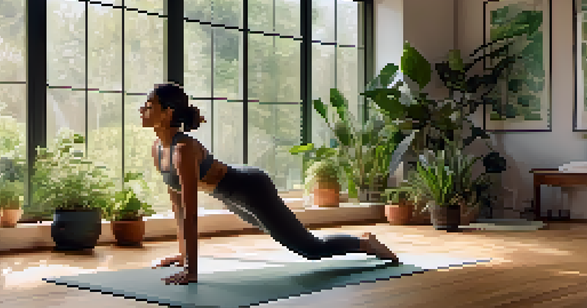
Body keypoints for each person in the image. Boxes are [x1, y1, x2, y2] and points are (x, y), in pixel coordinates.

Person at [141, 82, 398, 286]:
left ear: (167, 113)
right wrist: (183, 256)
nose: (142, 109)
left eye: (149, 105)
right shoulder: (158, 149)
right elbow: (179, 208)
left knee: (309, 248)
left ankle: (365, 243)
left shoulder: (183, 150)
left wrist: (191, 271)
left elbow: (192, 214)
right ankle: (362, 242)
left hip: (251, 189)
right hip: (232, 196)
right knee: (291, 239)